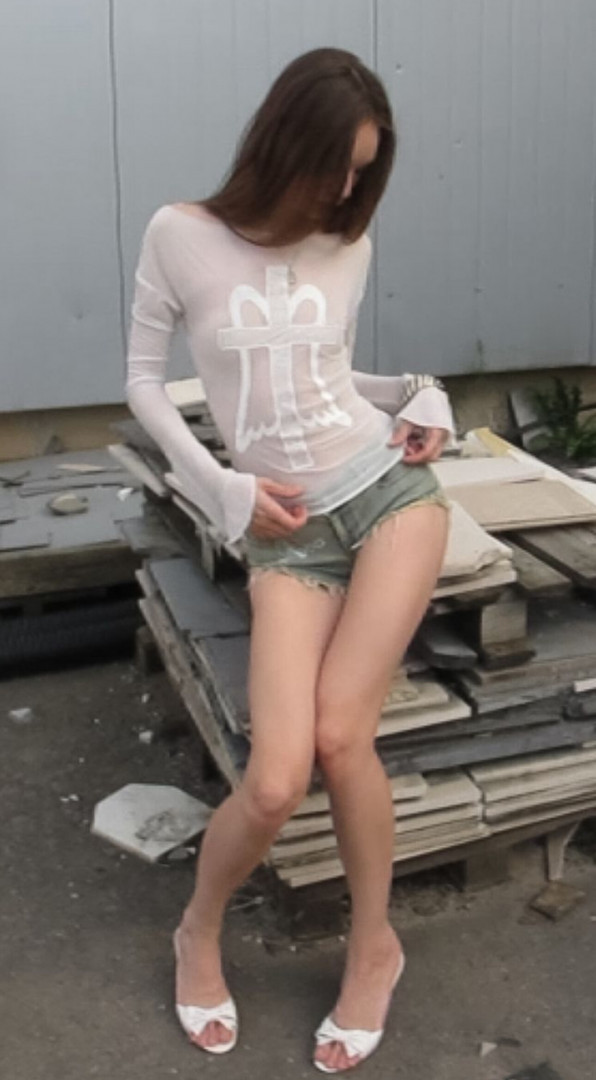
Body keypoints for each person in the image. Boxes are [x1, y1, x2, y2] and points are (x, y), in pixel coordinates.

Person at [126, 46, 454, 1074]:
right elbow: (142, 383)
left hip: (387, 496)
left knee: (343, 736)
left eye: (364, 171)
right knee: (273, 782)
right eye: (337, 166)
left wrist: (420, 392)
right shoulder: (179, 234)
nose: (348, 191)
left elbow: (327, 376)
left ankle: (373, 947)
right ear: (283, 144)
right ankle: (196, 932)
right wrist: (222, 491)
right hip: (284, 533)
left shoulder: (347, 241)